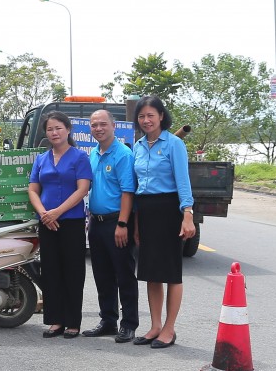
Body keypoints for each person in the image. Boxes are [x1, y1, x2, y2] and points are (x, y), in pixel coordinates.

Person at [130, 96, 195, 349]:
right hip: (145, 212)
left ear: (161, 116)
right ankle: (155, 325)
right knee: (150, 273)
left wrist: (187, 215)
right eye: (142, 116)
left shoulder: (174, 144)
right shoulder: (137, 146)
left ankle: (169, 328)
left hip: (169, 210)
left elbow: (183, 182)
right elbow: (135, 188)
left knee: (171, 273)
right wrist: (135, 223)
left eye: (151, 115)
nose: (146, 120)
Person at [28, 111, 93, 339]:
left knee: (73, 272)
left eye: (58, 128)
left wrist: (57, 212)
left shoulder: (79, 157)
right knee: (51, 272)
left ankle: (73, 322)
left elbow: (82, 189)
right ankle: (55, 321)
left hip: (71, 222)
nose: (54, 133)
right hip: (47, 223)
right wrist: (44, 213)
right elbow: (33, 189)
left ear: (68, 130)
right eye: (49, 129)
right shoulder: (41, 159)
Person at [82, 109, 138, 342]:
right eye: (94, 125)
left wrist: (123, 224)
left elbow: (128, 191)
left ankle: (129, 323)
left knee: (123, 274)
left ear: (113, 126)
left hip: (117, 222)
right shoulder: (93, 154)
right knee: (102, 275)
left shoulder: (123, 154)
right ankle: (108, 320)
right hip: (96, 222)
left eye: (103, 124)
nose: (98, 128)